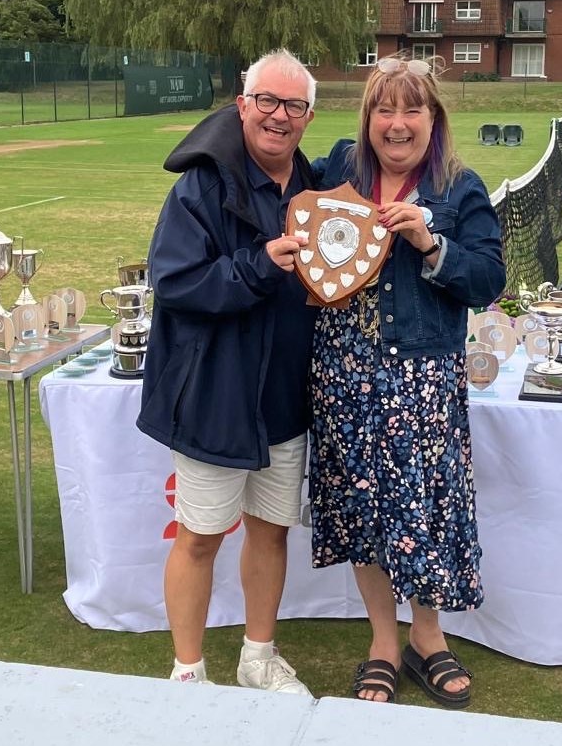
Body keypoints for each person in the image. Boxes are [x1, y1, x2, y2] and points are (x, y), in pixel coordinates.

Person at [308, 54, 506, 708]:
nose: (396, 124)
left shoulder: (460, 189)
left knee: (420, 513)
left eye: (411, 109)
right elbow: (288, 197)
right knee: (365, 513)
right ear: (366, 120)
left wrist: (431, 245)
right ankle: (383, 642)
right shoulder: (341, 168)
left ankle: (427, 636)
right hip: (343, 374)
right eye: (383, 110)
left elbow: (487, 282)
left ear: (434, 118)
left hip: (421, 379)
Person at [137, 49, 319, 695]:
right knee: (199, 539)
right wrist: (258, 266)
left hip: (285, 400)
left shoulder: (316, 189)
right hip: (215, 395)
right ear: (243, 104)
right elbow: (178, 283)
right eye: (266, 100)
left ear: (308, 117)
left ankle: (258, 657)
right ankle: (187, 670)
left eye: (293, 105)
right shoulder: (198, 188)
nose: (278, 115)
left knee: (270, 535)